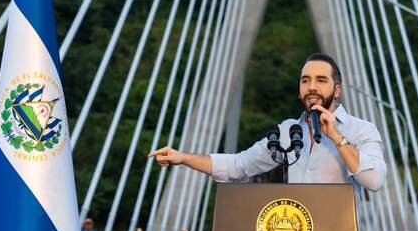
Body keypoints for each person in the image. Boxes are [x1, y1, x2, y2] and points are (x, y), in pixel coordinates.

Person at [149, 53, 388, 193]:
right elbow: (238, 165)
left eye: (320, 80)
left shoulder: (362, 130)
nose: (312, 86)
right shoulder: (288, 132)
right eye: (305, 80)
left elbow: (374, 181)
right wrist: (183, 158)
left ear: (336, 90)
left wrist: (336, 137)